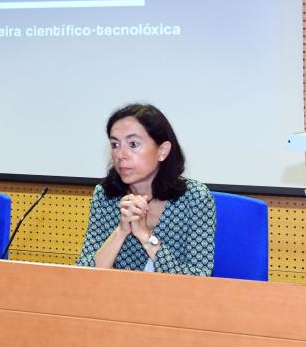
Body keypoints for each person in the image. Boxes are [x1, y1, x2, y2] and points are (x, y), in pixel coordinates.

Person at [76, 103, 215, 275]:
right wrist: (120, 232)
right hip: (121, 297)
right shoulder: (106, 195)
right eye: (115, 145)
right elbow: (84, 274)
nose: (121, 155)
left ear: (162, 151)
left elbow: (199, 277)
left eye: (133, 144)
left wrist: (145, 235)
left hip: (174, 299)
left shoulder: (195, 198)